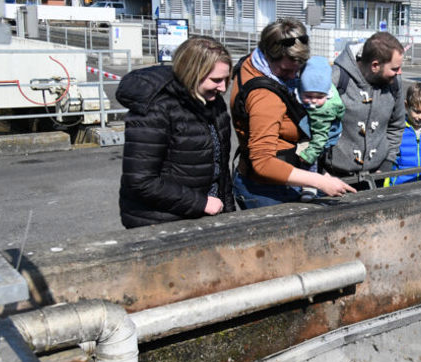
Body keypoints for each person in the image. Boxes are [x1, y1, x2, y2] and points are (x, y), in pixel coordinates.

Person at [231, 18, 354, 209]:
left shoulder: (252, 63)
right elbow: (263, 162)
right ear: (269, 55)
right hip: (267, 188)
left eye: (297, 70)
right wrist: (318, 181)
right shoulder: (264, 97)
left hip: (278, 177)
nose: (291, 77)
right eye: (286, 70)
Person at [118, 36, 235, 228]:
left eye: (226, 79)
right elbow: (141, 181)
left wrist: (228, 213)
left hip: (207, 215)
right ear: (192, 74)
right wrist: (201, 203)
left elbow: (219, 168)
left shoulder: (212, 102)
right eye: (216, 80)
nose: (223, 87)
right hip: (161, 220)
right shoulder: (155, 110)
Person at [322, 32, 407, 184]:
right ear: (375, 66)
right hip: (333, 179)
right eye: (395, 68)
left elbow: (396, 126)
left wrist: (388, 163)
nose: (399, 73)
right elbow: (315, 127)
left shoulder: (395, 83)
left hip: (376, 177)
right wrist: (320, 173)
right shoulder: (335, 79)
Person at [296, 56, 345, 171]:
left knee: (309, 165)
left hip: (320, 141)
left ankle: (310, 186)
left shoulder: (323, 109)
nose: (313, 101)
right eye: (308, 96)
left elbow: (320, 136)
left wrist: (309, 155)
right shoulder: (318, 88)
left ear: (327, 93)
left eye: (319, 97)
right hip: (314, 135)